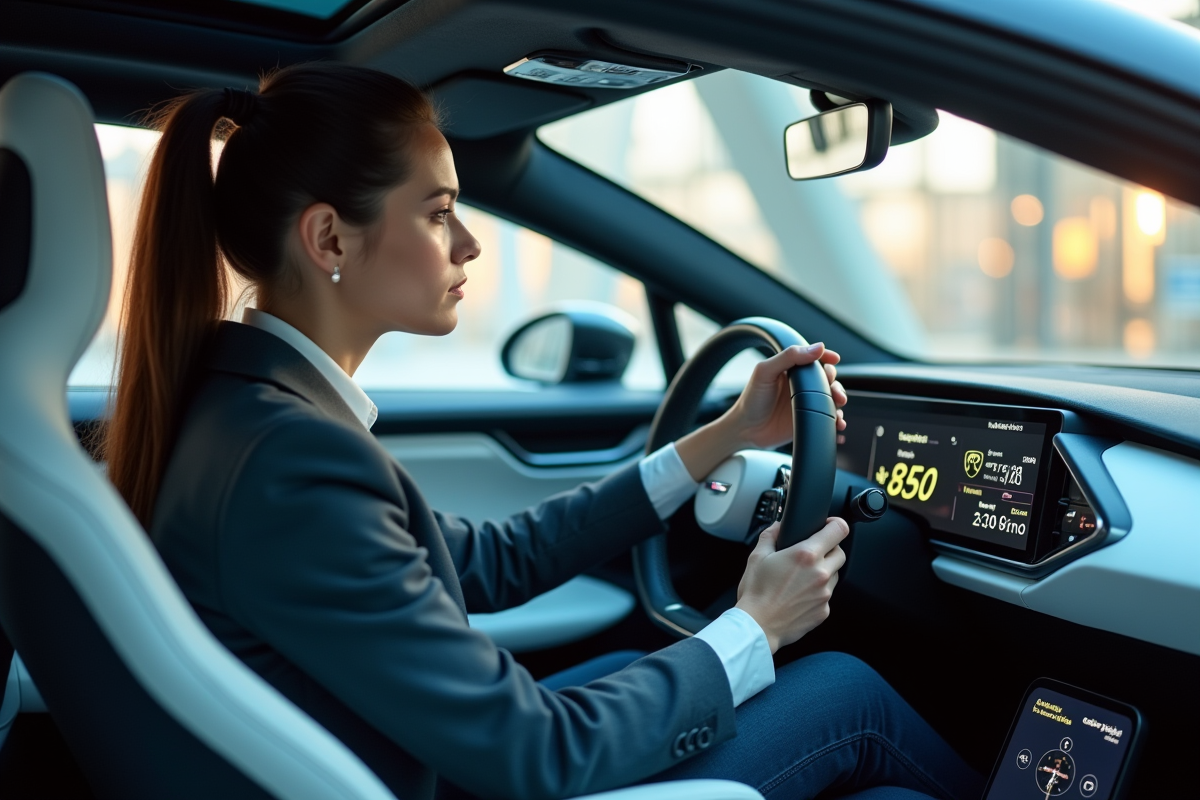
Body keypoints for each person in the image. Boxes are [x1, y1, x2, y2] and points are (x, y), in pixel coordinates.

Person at [103, 62, 982, 800]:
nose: (469, 244)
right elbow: (537, 753)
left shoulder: (243, 413)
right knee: (846, 694)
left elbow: (489, 561)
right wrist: (758, 623)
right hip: (458, 775)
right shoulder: (294, 463)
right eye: (438, 211)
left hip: (411, 762)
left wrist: (726, 434)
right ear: (330, 238)